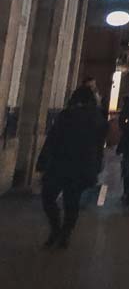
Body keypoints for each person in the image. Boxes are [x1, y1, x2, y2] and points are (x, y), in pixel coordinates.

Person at [37, 86, 106, 248]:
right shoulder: (97, 118)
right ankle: (65, 234)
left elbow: (52, 140)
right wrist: (96, 166)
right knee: (72, 202)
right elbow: (98, 146)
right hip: (82, 167)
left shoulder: (66, 115)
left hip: (59, 164)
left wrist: (42, 161)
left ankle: (55, 229)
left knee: (48, 197)